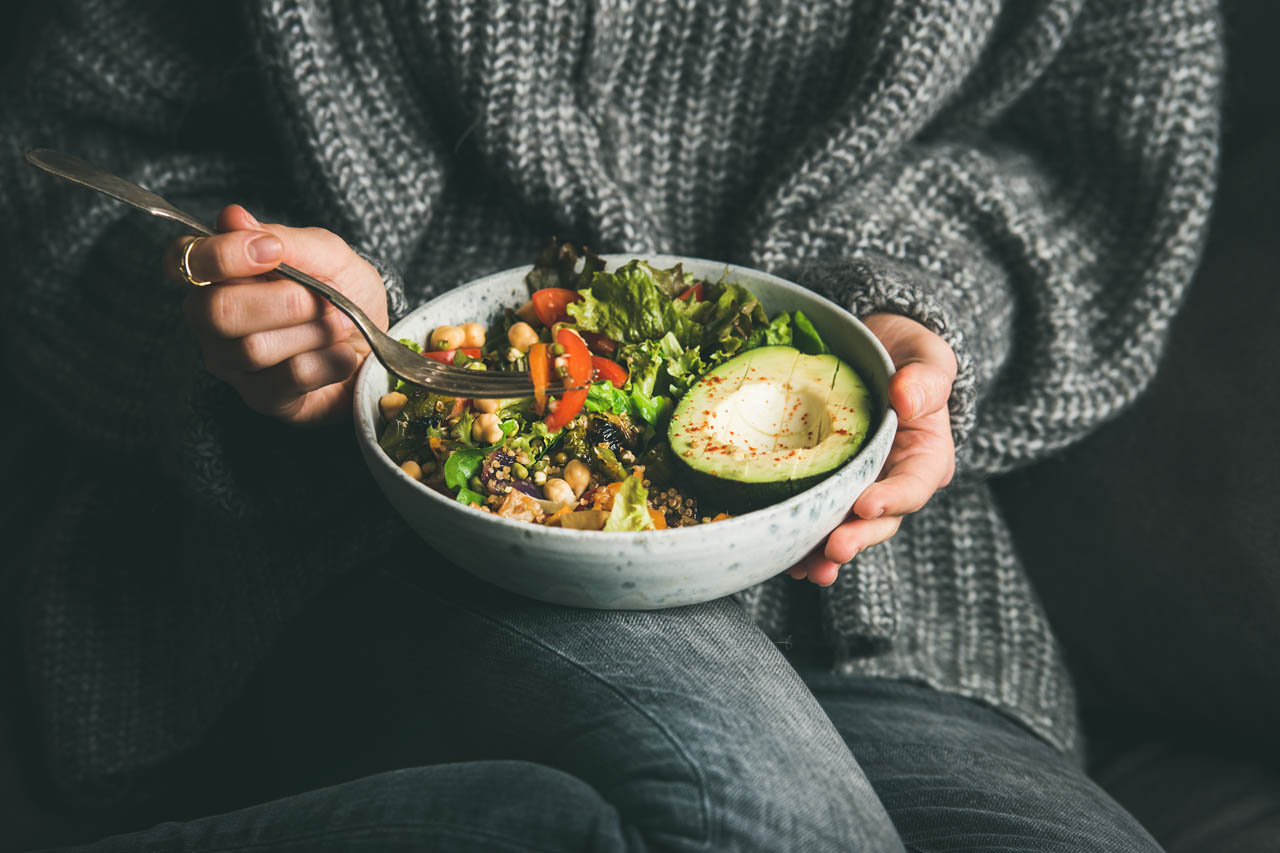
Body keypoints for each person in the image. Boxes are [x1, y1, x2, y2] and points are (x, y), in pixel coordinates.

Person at [0, 0, 1222, 849]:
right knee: (758, 828)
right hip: (373, 536)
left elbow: (1090, 156)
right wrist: (242, 314)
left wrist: (919, 320)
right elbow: (71, 157)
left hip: (881, 595)